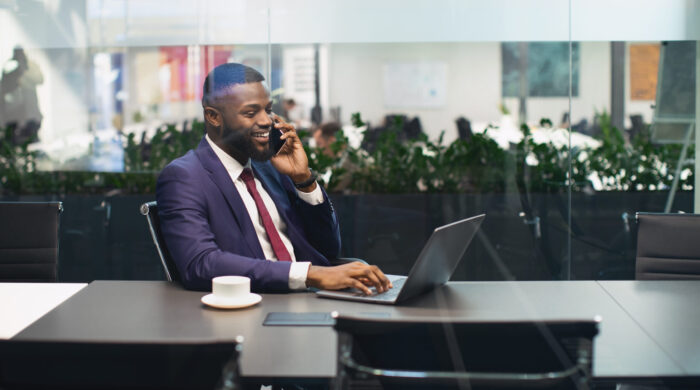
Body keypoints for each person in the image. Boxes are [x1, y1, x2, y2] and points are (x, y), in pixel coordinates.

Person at [156, 63, 391, 294]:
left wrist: (303, 179)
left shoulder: (269, 168)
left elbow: (327, 249)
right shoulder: (184, 177)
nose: (267, 121)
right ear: (213, 117)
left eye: (268, 109)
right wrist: (311, 275)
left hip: (312, 298)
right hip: (260, 304)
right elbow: (201, 263)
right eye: (250, 113)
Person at [0, 47, 43, 145]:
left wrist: (25, 71)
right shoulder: (9, 66)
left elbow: (40, 79)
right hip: (13, 115)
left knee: (32, 141)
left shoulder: (30, 67)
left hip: (30, 115)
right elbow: (4, 85)